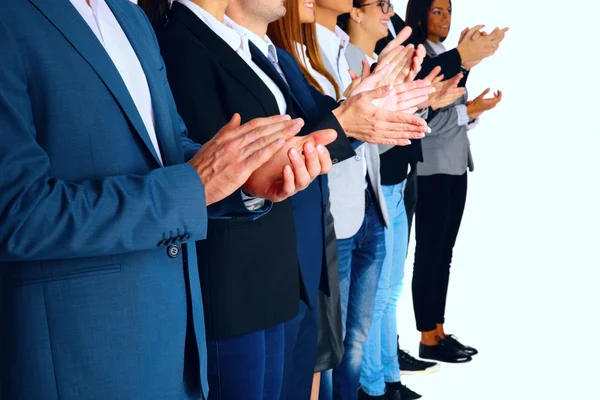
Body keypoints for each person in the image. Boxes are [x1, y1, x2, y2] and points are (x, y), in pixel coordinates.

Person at [0, 0, 335, 399]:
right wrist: (196, 185)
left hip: (178, 348)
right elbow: (17, 213)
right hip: (80, 357)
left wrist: (245, 180)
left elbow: (171, 151)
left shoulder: (128, 16)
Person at [144, 0, 431, 398]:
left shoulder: (253, 49)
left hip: (283, 272)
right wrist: (344, 120)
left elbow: (308, 127)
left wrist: (360, 106)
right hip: (234, 286)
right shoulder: (177, 44)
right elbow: (219, 171)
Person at [310, 0, 433, 398]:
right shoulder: (307, 51)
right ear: (358, 14)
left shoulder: (343, 48)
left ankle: (380, 383)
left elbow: (367, 136)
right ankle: (379, 384)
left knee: (360, 332)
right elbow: (324, 133)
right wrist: (353, 113)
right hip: (338, 213)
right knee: (335, 341)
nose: (388, 9)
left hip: (370, 205)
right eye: (379, 4)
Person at [406, 0, 503, 364]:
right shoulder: (422, 59)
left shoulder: (447, 54)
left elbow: (453, 115)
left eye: (447, 11)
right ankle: (427, 336)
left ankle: (438, 329)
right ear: (418, 15)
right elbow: (426, 119)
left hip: (455, 164)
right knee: (429, 252)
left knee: (443, 253)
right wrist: (471, 110)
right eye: (436, 11)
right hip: (431, 168)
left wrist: (471, 109)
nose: (444, 19)